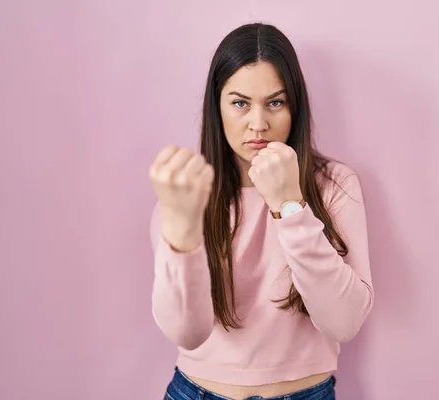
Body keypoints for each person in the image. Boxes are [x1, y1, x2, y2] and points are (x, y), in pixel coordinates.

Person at [148, 22, 374, 400]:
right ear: (217, 106)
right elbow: (186, 333)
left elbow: (344, 322)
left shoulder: (334, 186)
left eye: (275, 102)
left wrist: (290, 206)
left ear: (294, 106)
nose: (259, 124)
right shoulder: (190, 193)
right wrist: (182, 235)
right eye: (239, 103)